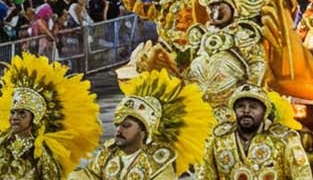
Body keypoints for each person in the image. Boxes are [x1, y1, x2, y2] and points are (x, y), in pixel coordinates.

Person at [71, 70, 213, 180]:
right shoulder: (108, 153)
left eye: (126, 126)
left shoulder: (158, 162)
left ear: (144, 132)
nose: (119, 130)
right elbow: (88, 175)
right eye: (118, 125)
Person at [185, 0, 268, 122]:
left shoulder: (242, 33)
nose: (214, 10)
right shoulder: (200, 34)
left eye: (220, 5)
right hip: (198, 108)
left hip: (231, 109)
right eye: (211, 5)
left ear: (233, 8)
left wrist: (248, 99)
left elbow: (257, 64)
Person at [0, 52, 101, 180]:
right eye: (13, 112)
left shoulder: (43, 155)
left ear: (35, 118)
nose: (15, 117)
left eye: (22, 114)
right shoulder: (3, 143)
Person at [200, 85, 312, 180]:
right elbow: (205, 176)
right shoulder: (219, 140)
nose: (246, 111)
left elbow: (302, 175)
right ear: (234, 110)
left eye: (253, 107)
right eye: (240, 106)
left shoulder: (284, 139)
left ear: (265, 112)